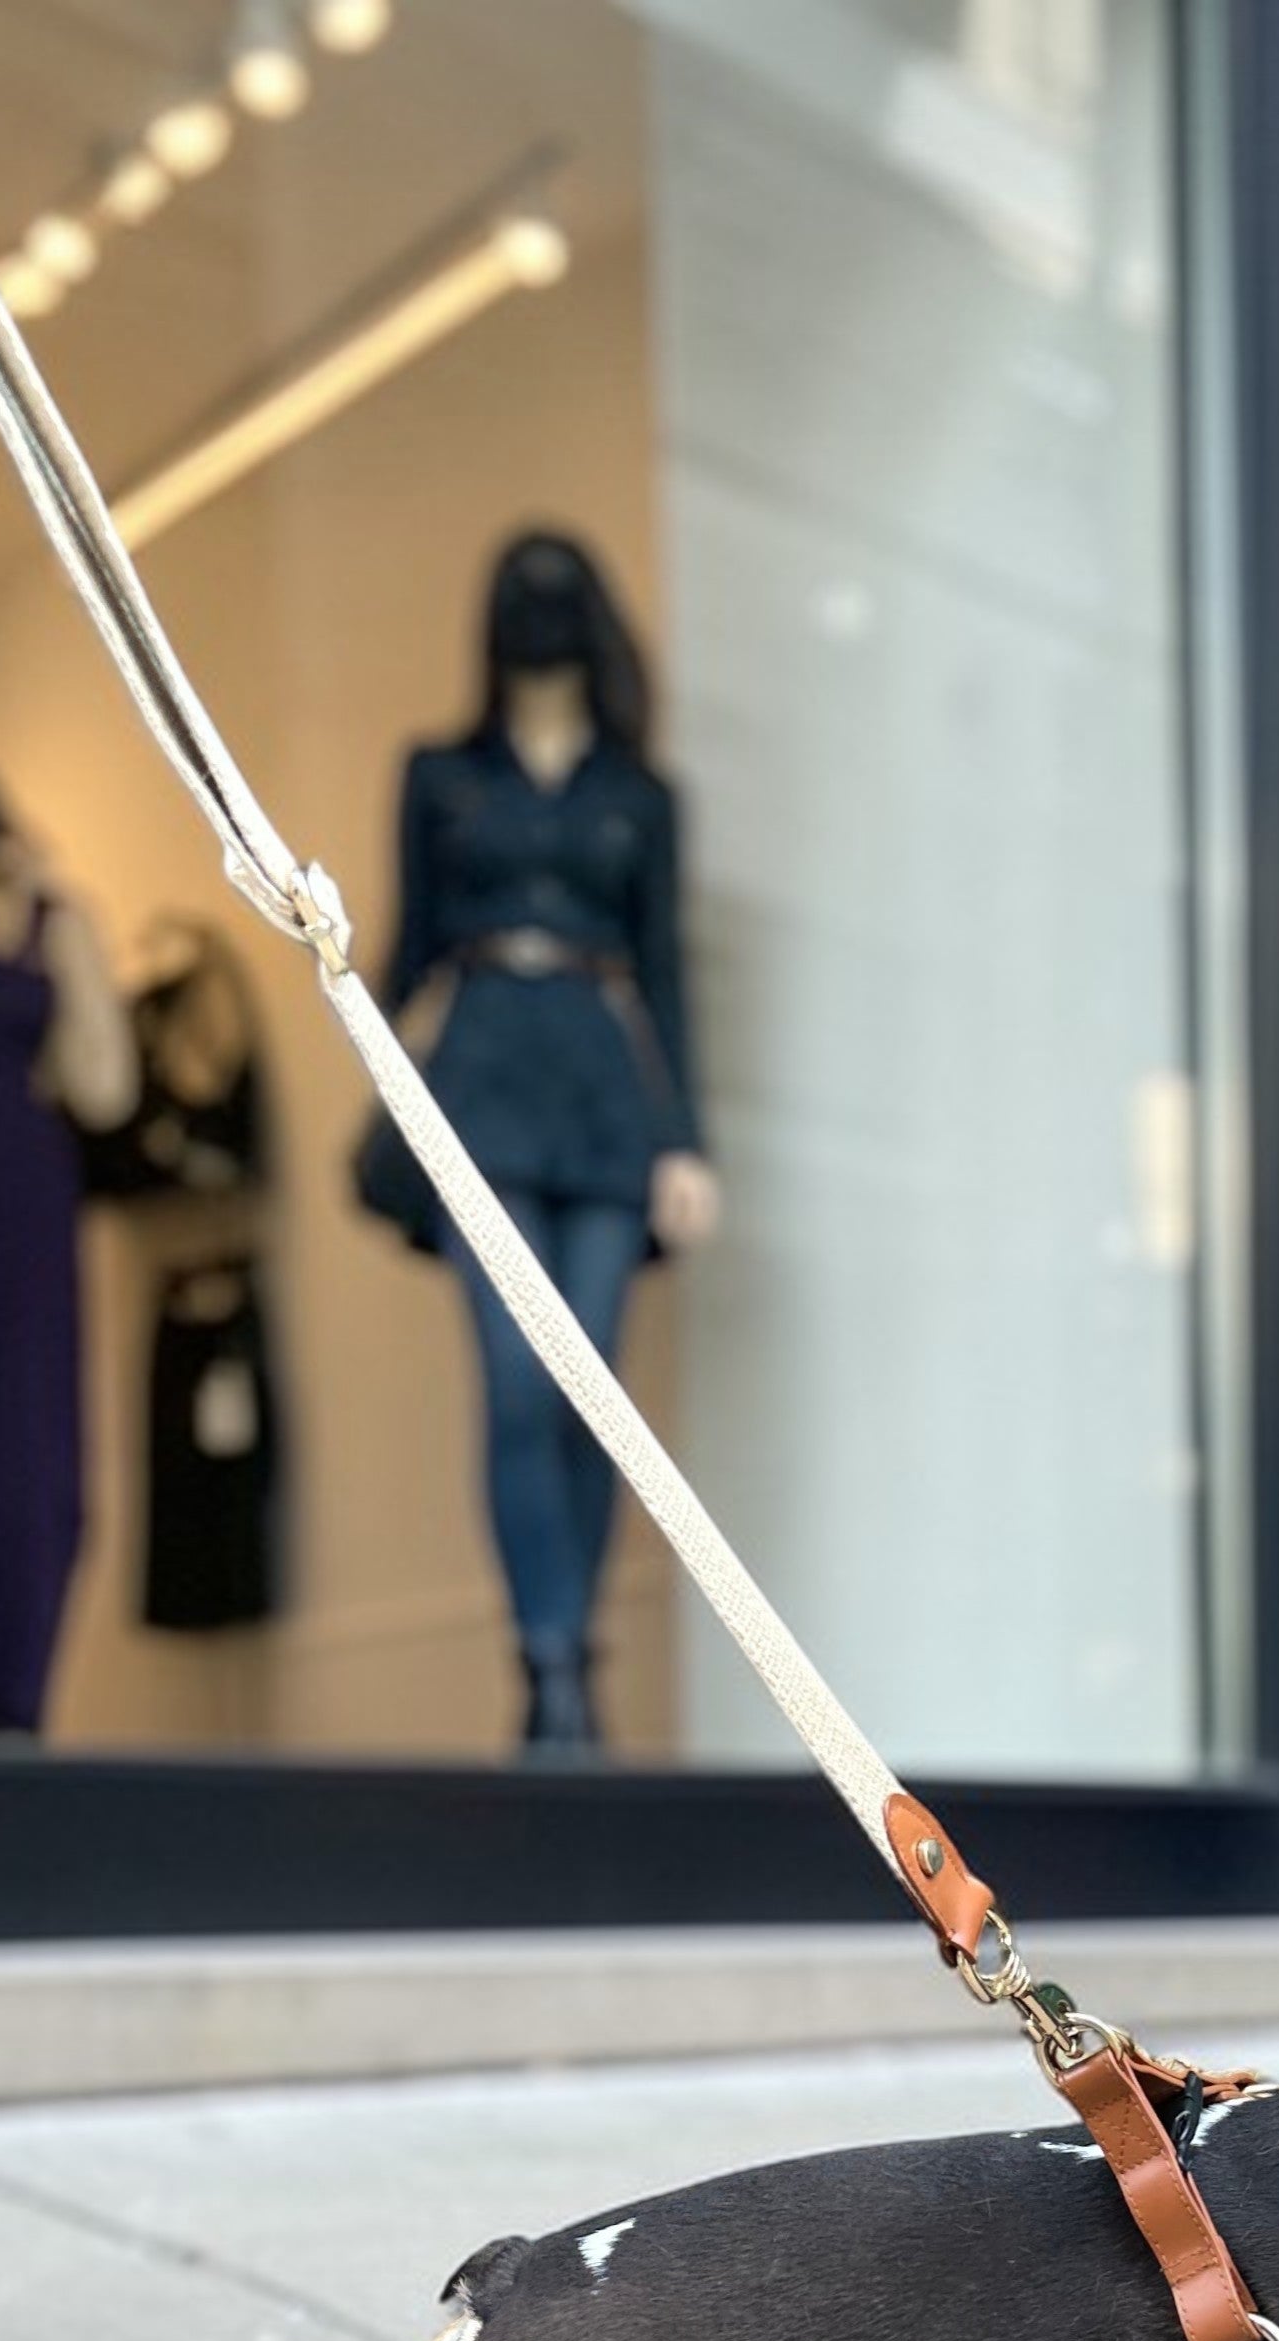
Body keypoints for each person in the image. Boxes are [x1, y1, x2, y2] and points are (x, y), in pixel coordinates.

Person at [364, 530, 716, 1752]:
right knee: (518, 1383)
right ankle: (552, 1663)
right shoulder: (439, 774)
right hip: (485, 1084)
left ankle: (572, 1654)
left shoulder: (642, 796)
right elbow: (406, 947)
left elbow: (668, 970)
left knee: (591, 1392)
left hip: (608, 1094)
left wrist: (686, 1142)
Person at [0, 757, 137, 1738]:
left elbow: (105, 1087)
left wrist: (59, 927)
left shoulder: (49, 920)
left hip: (23, 1200)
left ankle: (17, 1711)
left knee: (37, 1462)